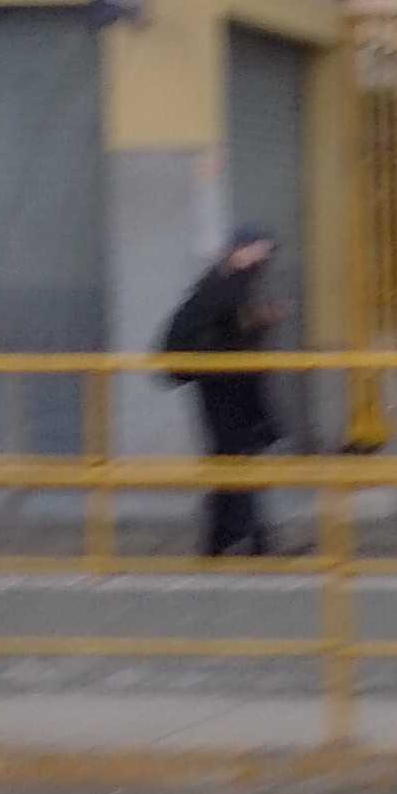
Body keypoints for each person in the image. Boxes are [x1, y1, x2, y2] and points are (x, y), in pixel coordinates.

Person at [160, 229, 285, 557]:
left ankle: (223, 541)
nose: (261, 262)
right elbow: (224, 329)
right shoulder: (222, 287)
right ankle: (250, 541)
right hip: (221, 387)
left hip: (228, 387)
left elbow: (232, 330)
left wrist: (259, 323)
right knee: (234, 460)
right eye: (255, 253)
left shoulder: (226, 286)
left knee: (230, 460)